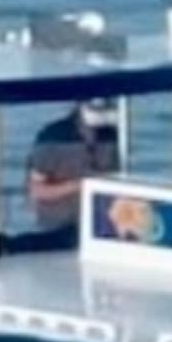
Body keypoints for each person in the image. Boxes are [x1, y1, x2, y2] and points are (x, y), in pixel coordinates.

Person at [22, 99, 122, 241]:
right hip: (56, 227)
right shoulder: (53, 138)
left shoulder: (111, 136)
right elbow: (36, 191)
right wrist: (80, 185)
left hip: (100, 227)